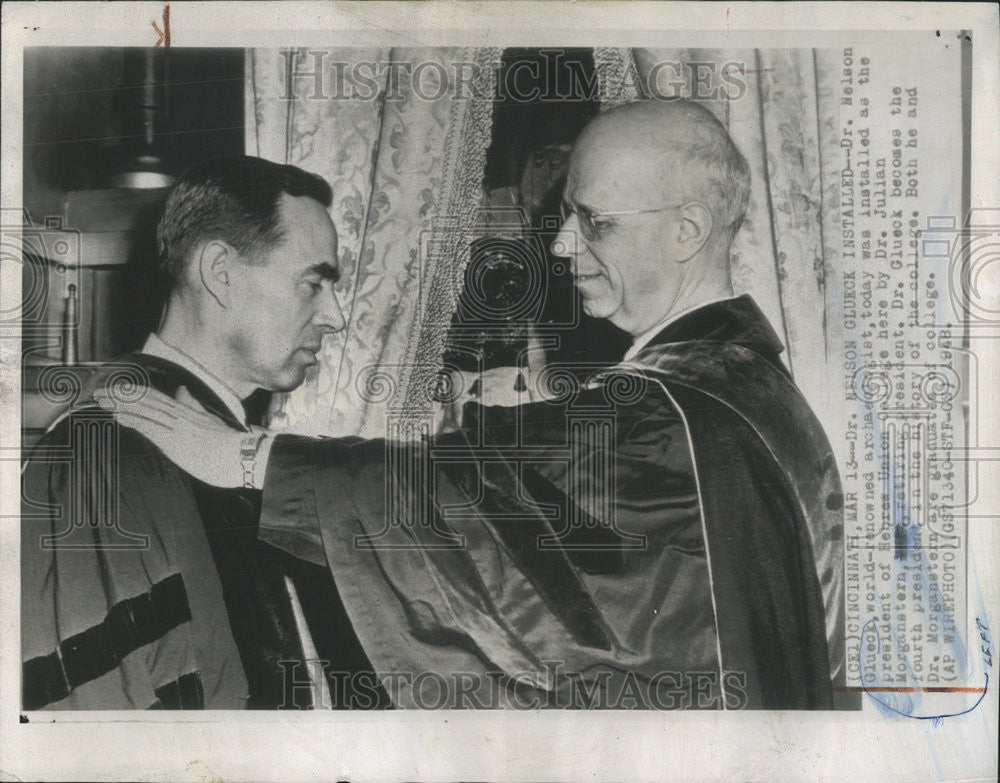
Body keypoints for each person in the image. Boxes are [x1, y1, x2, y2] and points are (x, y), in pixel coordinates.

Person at [100, 101, 848, 709]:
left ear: (687, 231)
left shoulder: (673, 408)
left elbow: (471, 502)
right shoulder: (755, 383)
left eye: (596, 221)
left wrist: (246, 455)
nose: (560, 246)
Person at [21, 155, 390, 709]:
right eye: (313, 284)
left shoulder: (235, 445)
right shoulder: (103, 456)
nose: (336, 316)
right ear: (220, 272)